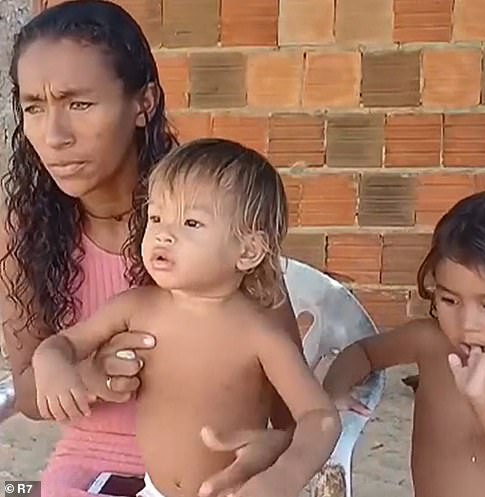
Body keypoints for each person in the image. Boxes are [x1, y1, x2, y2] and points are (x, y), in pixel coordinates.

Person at [0, 1, 303, 496]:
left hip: (212, 468)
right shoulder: (23, 229)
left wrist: (275, 448)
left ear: (143, 103)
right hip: (89, 467)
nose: (53, 136)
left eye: (79, 104)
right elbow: (31, 394)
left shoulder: (208, 213)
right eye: (34, 107)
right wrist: (86, 374)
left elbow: (288, 409)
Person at [31, 138, 341, 497]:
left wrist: (286, 474)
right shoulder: (136, 307)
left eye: (191, 222)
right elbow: (64, 343)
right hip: (153, 489)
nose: (163, 232)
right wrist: (51, 362)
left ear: (248, 250)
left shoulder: (259, 334)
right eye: (157, 216)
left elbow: (318, 416)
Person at [323, 190, 485, 497]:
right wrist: (332, 393)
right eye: (449, 300)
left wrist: (484, 403)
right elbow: (364, 352)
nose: (467, 323)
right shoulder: (430, 341)